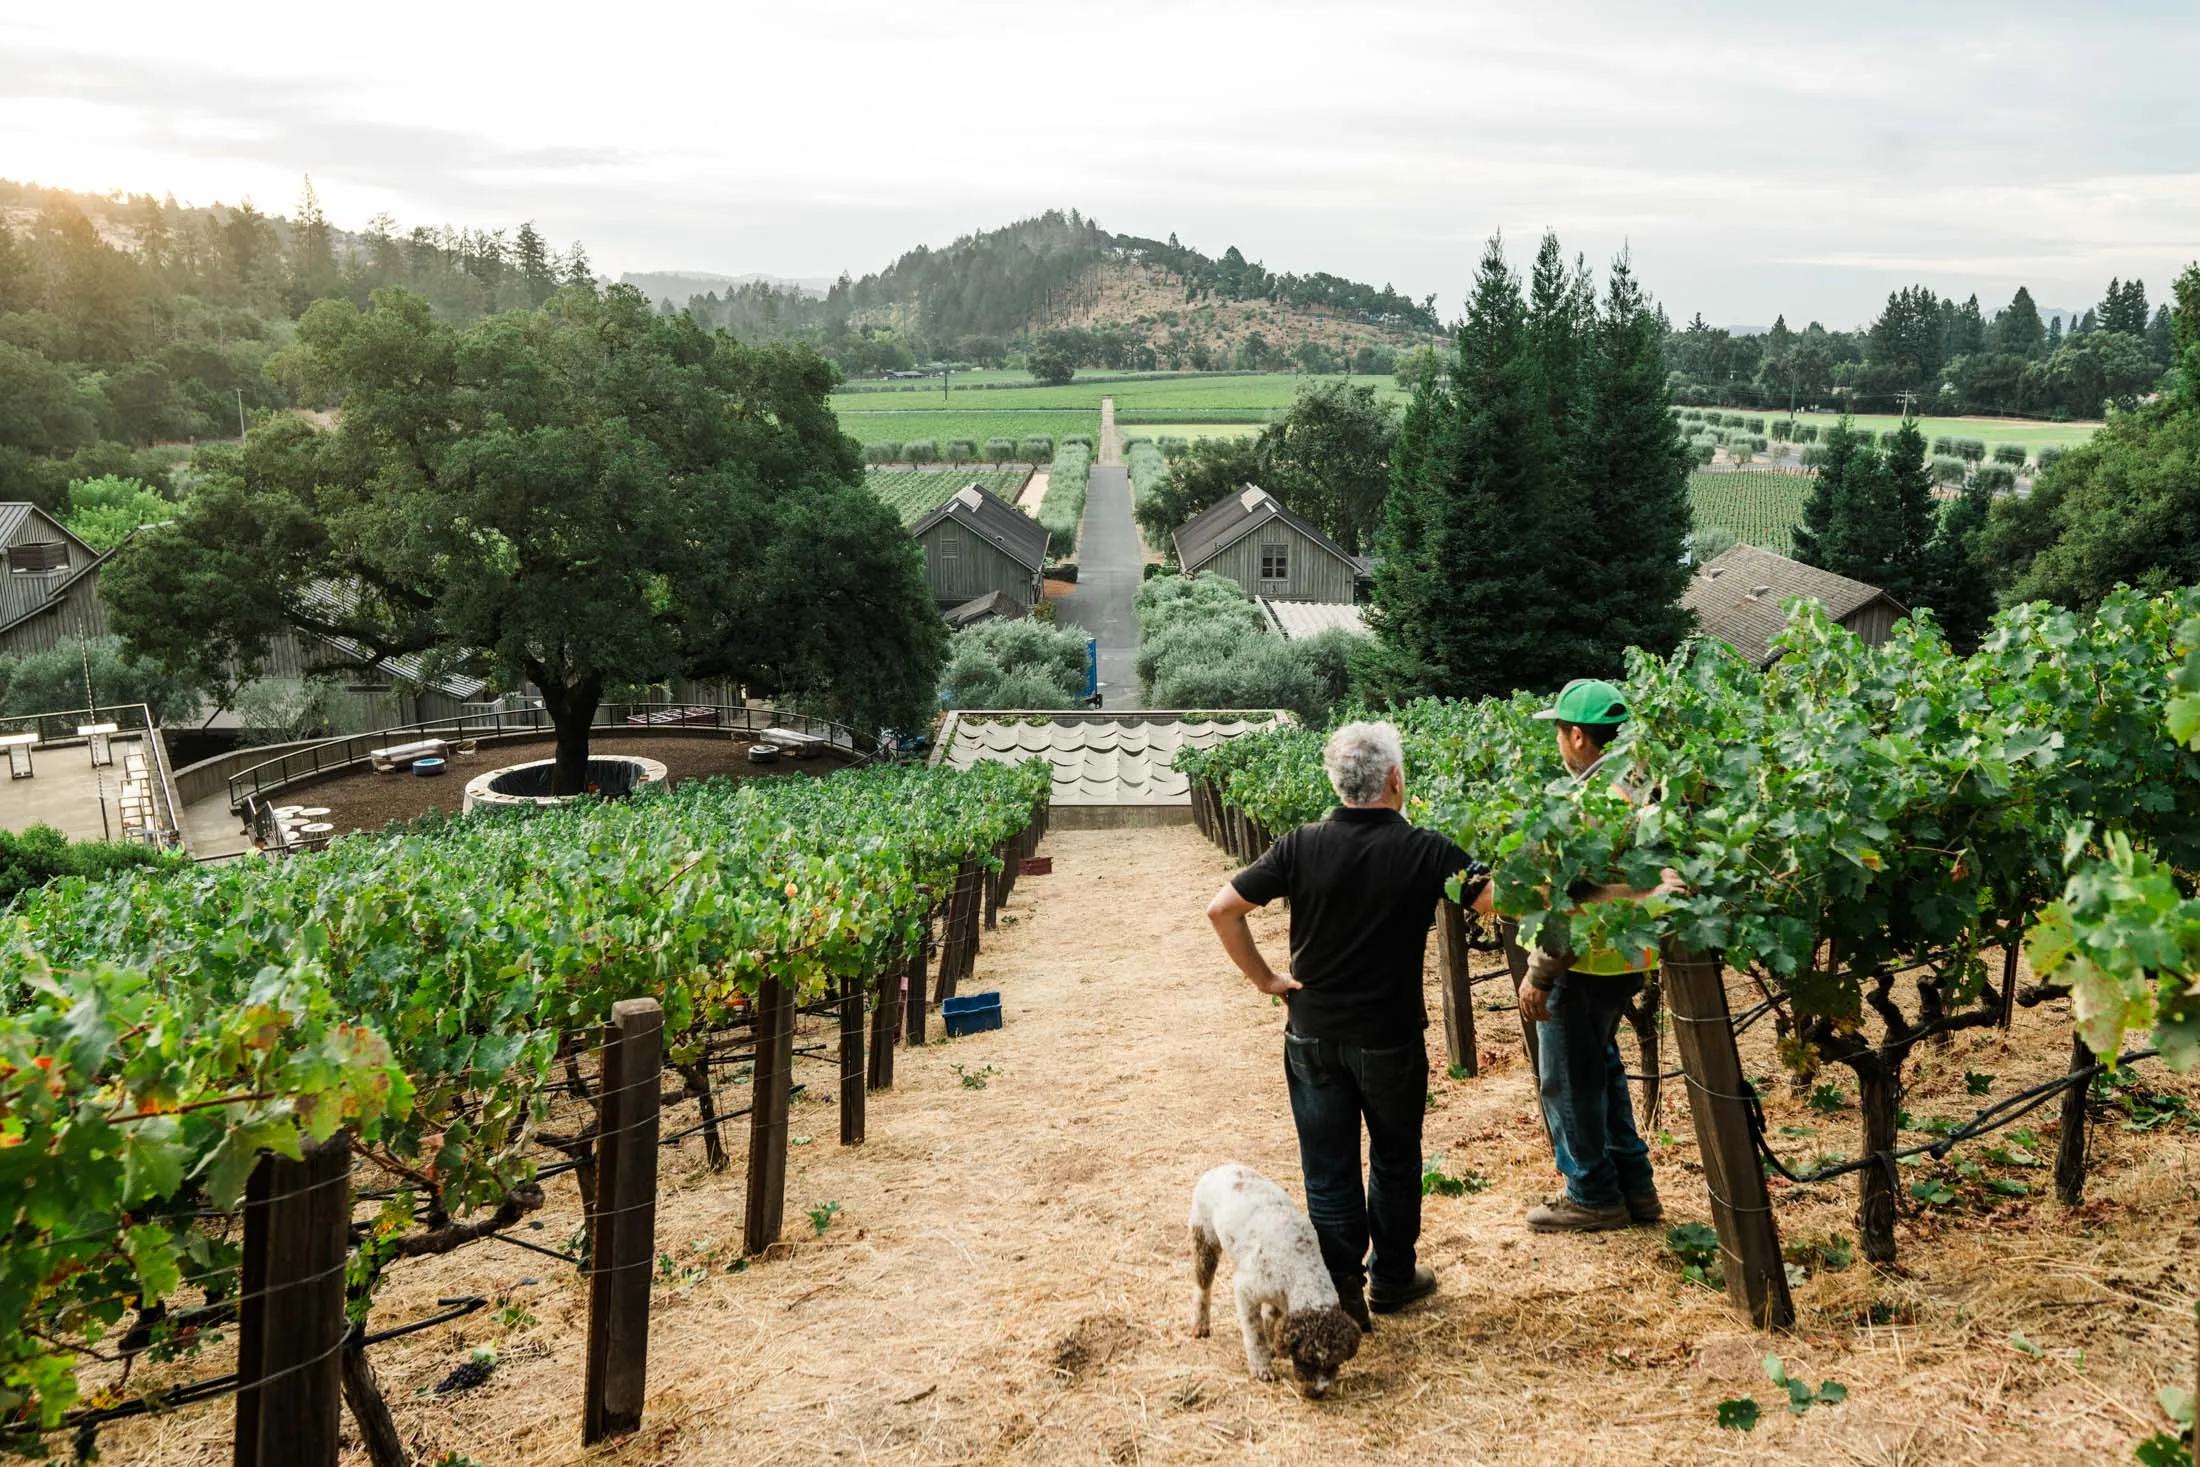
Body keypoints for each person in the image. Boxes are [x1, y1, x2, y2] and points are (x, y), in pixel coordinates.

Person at [1205, 721, 1489, 1329]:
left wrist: (1266, 980)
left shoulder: (1300, 844)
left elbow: (1222, 909)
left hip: (1311, 1034)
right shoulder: (1427, 849)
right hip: (1388, 1036)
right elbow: (1503, 901)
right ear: (1395, 779)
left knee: (1327, 1166)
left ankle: (1342, 1293)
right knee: (1394, 1156)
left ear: (1337, 784)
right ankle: (1392, 1277)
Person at [1518, 678, 1680, 1233]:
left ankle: (1590, 1194)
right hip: (1624, 965)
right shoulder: (1643, 791)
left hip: (1579, 966)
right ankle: (1634, 1188)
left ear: (1579, 737)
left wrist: (1540, 972)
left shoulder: (1586, 805)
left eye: (1560, 733)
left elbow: (1567, 901)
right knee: (1604, 1071)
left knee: (1566, 1081)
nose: (1558, 744)